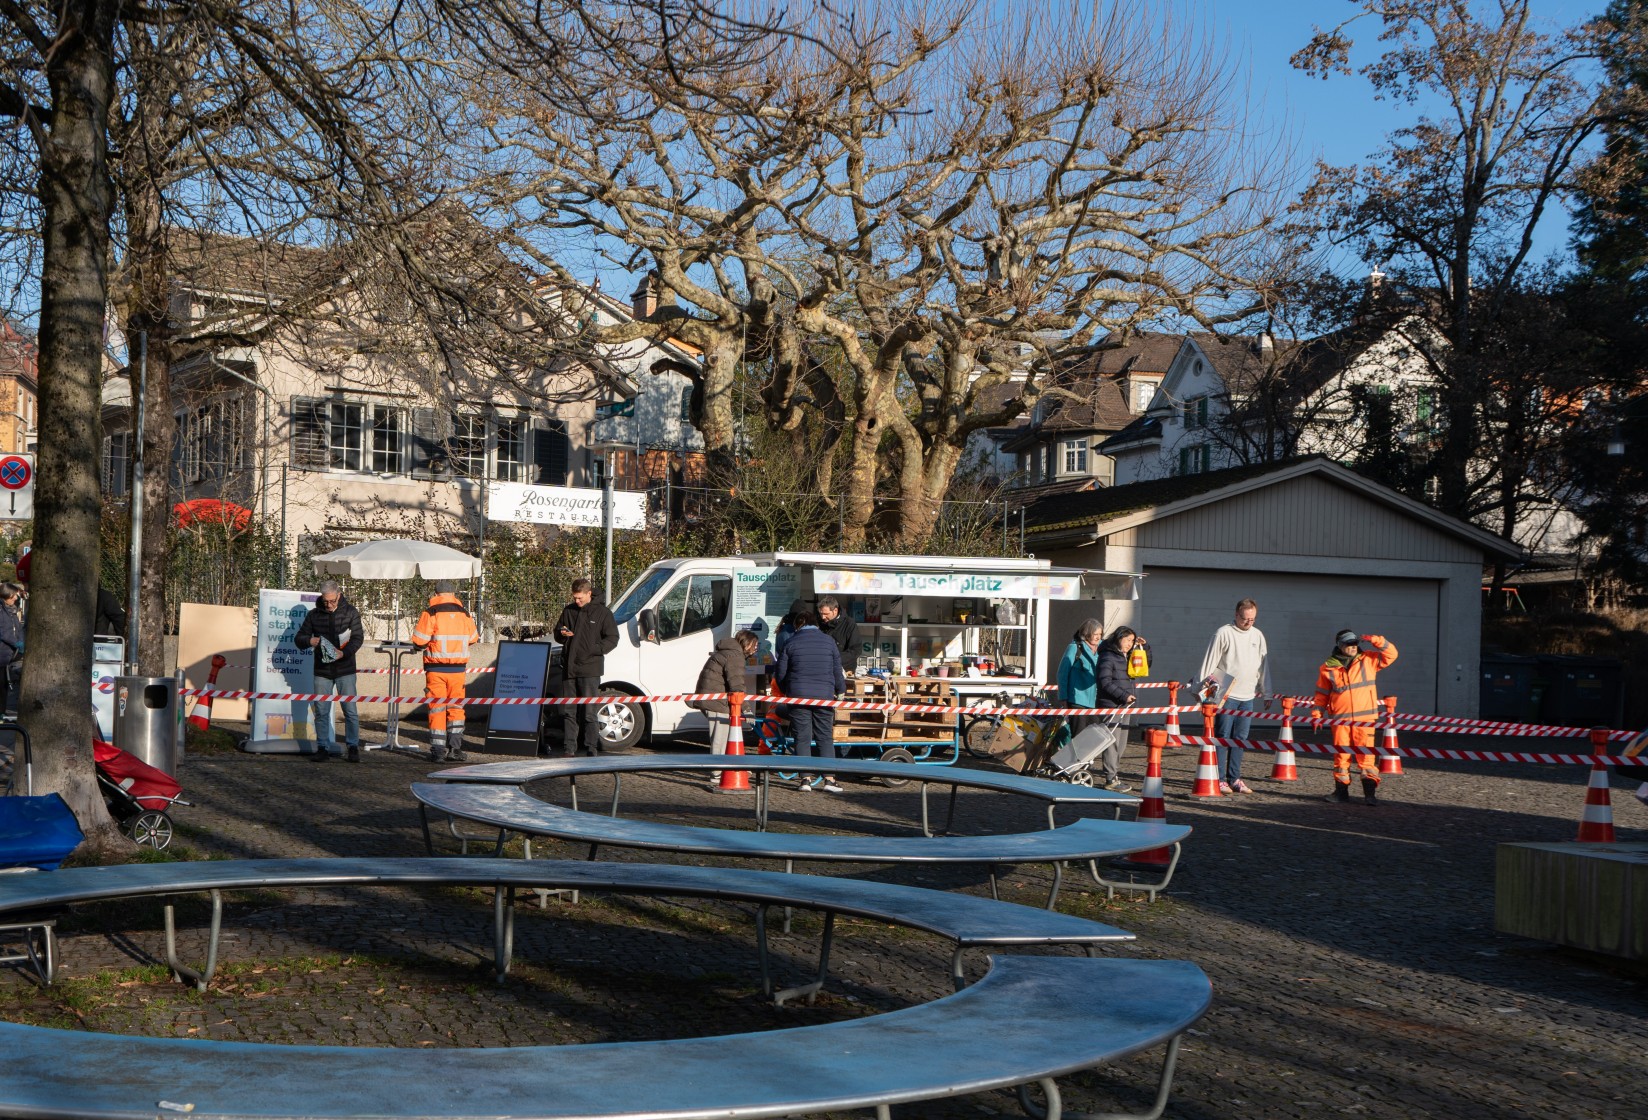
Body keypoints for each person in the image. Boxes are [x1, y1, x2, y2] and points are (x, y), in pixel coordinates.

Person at [1312, 630, 1399, 805]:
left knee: (1366, 757)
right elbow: (1322, 694)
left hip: (1364, 720)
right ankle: (1341, 793)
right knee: (1341, 757)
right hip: (1340, 719)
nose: (1353, 647)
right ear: (1340, 645)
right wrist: (1317, 713)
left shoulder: (1368, 659)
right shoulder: (1327, 667)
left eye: (1355, 644)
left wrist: (1378, 641)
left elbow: (1392, 654)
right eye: (1349, 644)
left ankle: (1369, 795)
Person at [1198, 598, 1272, 794]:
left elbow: (1263, 665)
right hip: (1226, 694)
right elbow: (1210, 661)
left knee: (1240, 738)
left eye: (1252, 619)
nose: (1248, 622)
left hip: (1247, 695)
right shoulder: (1223, 633)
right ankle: (1220, 778)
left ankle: (1235, 778)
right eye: (1245, 618)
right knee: (1222, 736)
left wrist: (1267, 692)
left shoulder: (1258, 635)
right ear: (1236, 615)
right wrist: (1202, 690)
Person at [773, 608, 845, 792]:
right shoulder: (829, 642)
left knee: (802, 738)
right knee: (824, 737)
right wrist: (841, 690)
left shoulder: (791, 642)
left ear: (798, 625)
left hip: (798, 696)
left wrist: (787, 691)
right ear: (816, 624)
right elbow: (837, 670)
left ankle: (805, 780)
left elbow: (780, 673)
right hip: (824, 696)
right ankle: (829, 780)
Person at [294, 580, 366, 762]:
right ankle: (322, 747)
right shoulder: (313, 615)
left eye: (332, 601)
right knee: (321, 711)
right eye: (325, 601)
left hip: (345, 669)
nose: (329, 604)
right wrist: (309, 641)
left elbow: (358, 638)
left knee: (350, 711)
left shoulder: (351, 612)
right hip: (322, 671)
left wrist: (344, 653)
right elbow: (299, 638)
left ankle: (352, 747)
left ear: (339, 595)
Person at [411, 580, 480, 762]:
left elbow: (419, 640)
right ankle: (455, 750)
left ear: (435, 594)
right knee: (456, 709)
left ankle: (438, 751)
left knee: (437, 709)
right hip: (458, 670)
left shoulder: (431, 612)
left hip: (436, 669)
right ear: (454, 593)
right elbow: (473, 637)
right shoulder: (464, 614)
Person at [553, 577, 619, 756]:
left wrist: (595, 650)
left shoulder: (603, 613)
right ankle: (569, 749)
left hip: (590, 669)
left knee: (590, 712)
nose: (576, 601)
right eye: (574, 598)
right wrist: (562, 633)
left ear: (589, 593)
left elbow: (612, 638)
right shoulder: (569, 611)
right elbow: (557, 633)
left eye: (579, 598)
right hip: (569, 668)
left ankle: (591, 747)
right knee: (569, 712)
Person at [691, 629, 760, 785]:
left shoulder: (729, 652)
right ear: (747, 643)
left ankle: (731, 766)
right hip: (717, 703)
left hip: (712, 699)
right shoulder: (735, 656)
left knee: (727, 737)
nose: (756, 648)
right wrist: (747, 709)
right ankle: (716, 773)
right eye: (755, 645)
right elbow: (737, 686)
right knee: (720, 739)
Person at [1088, 625, 1138, 791]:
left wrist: (1145, 648)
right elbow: (1104, 681)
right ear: (1118, 638)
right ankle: (1110, 779)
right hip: (1112, 705)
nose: (1130, 644)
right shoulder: (1108, 656)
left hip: (1125, 706)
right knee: (1111, 743)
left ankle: (1114, 775)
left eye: (1132, 641)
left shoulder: (1126, 655)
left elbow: (1143, 667)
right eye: (1127, 640)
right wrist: (1123, 696)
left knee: (1121, 743)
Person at [0, 582, 23, 715]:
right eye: (14, 595)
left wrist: (20, 642)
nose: (16, 598)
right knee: (1, 685)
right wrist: (17, 643)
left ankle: (1, 712)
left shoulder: (11, 609)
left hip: (6, 654)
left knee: (3, 686)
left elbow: (17, 629)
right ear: (6, 594)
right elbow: (5, 632)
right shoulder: (2, 609)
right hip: (2, 653)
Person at [816, 595, 858, 667]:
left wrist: (834, 660)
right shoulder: (818, 623)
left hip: (844, 668)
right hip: (822, 667)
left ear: (835, 610)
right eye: (821, 614)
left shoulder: (849, 624)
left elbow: (855, 650)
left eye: (826, 614)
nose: (823, 617)